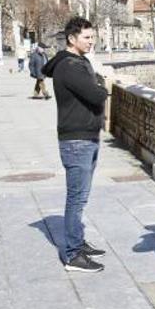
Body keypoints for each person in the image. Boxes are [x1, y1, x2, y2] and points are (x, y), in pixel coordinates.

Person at [41, 17, 109, 273]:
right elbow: (97, 94)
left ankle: (78, 242)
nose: (91, 42)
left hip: (86, 136)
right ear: (72, 39)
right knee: (76, 198)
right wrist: (101, 85)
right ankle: (72, 254)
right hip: (77, 140)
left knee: (81, 197)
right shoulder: (70, 66)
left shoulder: (78, 62)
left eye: (93, 37)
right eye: (87, 38)